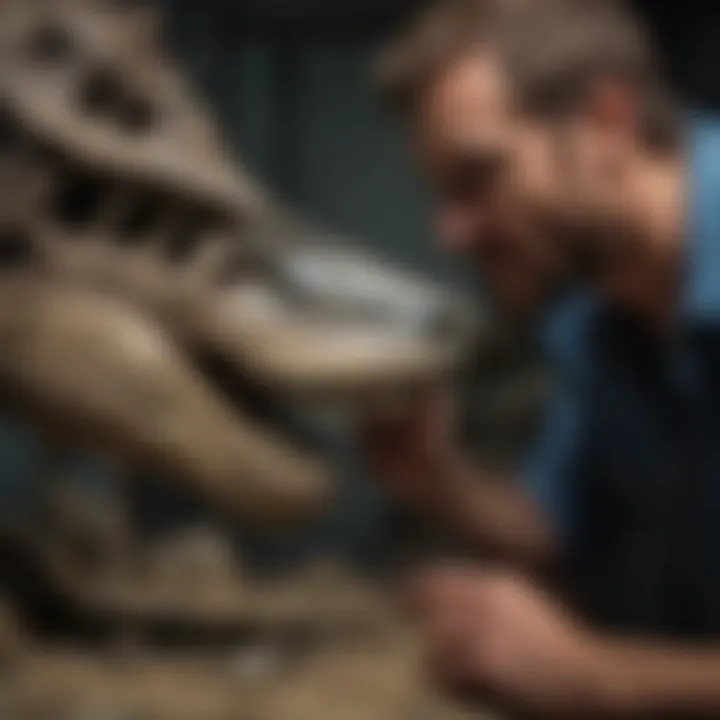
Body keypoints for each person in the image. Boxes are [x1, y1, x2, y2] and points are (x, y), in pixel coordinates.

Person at [362, 0, 720, 715]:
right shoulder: (598, 315)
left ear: (608, 124)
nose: (452, 232)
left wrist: (603, 676)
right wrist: (438, 478)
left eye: (479, 177)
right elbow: (560, 525)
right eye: (443, 193)